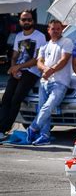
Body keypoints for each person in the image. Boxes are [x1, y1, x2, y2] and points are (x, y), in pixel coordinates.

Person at [0, 10, 46, 140]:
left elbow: (37, 59)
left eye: (29, 19)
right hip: (18, 70)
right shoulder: (19, 36)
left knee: (16, 99)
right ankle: (1, 128)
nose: (27, 22)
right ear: (20, 21)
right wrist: (14, 68)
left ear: (33, 21)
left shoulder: (39, 36)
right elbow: (15, 56)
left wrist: (18, 67)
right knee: (6, 98)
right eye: (24, 19)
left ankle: (4, 129)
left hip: (31, 71)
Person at [26, 20, 73, 145]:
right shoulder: (45, 46)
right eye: (53, 29)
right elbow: (39, 62)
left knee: (47, 107)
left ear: (62, 29)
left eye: (58, 28)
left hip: (60, 82)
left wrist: (50, 70)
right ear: (48, 30)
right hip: (44, 82)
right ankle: (45, 135)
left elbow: (64, 60)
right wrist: (45, 69)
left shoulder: (66, 42)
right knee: (42, 109)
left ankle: (33, 128)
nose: (56, 31)